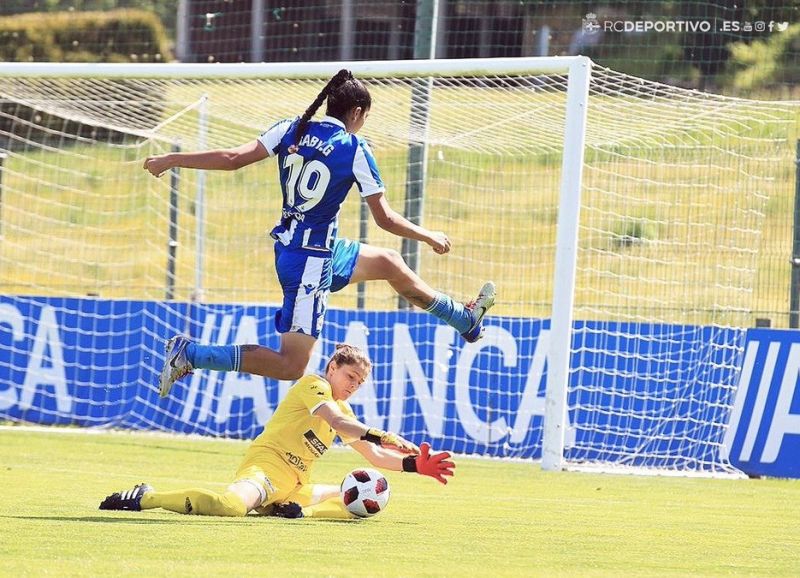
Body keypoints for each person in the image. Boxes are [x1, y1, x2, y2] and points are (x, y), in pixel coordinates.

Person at [143, 68, 495, 397]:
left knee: (388, 262)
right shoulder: (354, 148)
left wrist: (172, 159)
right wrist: (428, 235)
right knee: (291, 365)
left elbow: (234, 157)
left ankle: (463, 320)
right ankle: (192, 354)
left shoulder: (290, 128)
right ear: (356, 112)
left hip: (307, 248)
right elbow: (384, 219)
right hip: (310, 263)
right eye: (365, 117)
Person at [99, 344, 455, 519]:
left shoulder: (346, 407)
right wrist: (385, 434)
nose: (353, 386)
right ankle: (147, 496)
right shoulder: (313, 385)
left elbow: (372, 455)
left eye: (360, 383)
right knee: (230, 507)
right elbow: (340, 423)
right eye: (350, 377)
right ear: (332, 367)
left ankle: (294, 510)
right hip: (266, 469)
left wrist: (414, 466)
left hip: (296, 486)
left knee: (358, 502)